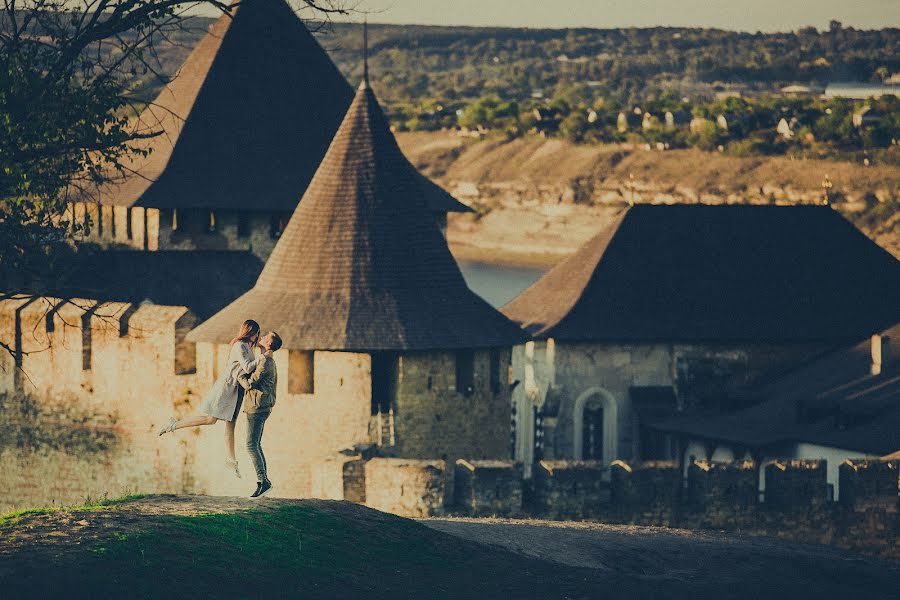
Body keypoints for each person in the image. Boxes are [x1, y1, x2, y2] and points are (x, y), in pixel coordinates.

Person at [158, 320, 269, 478]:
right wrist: (263, 357)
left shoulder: (248, 347)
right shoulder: (239, 346)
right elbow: (247, 367)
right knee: (210, 419)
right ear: (248, 332)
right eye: (254, 332)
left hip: (237, 390)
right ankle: (174, 424)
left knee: (230, 424)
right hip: (227, 388)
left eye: (256, 333)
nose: (256, 336)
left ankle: (231, 461)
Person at [238, 331, 281, 498]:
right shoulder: (265, 359)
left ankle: (263, 482)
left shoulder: (265, 361)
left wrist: (238, 375)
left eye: (265, 337)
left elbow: (249, 384)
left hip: (257, 407)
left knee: (250, 445)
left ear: (269, 344)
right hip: (261, 406)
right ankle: (264, 481)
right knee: (256, 444)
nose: (261, 337)